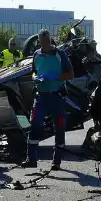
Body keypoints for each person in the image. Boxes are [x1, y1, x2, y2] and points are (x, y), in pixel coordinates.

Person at [21, 29, 74, 170]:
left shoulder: (60, 54)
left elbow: (70, 74)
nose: (44, 43)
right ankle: (31, 158)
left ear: (50, 40)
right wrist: (34, 77)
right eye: (42, 41)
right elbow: (34, 71)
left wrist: (54, 78)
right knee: (34, 125)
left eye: (46, 41)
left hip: (57, 95)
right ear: (39, 41)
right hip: (41, 96)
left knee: (60, 127)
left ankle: (57, 160)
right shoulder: (36, 54)